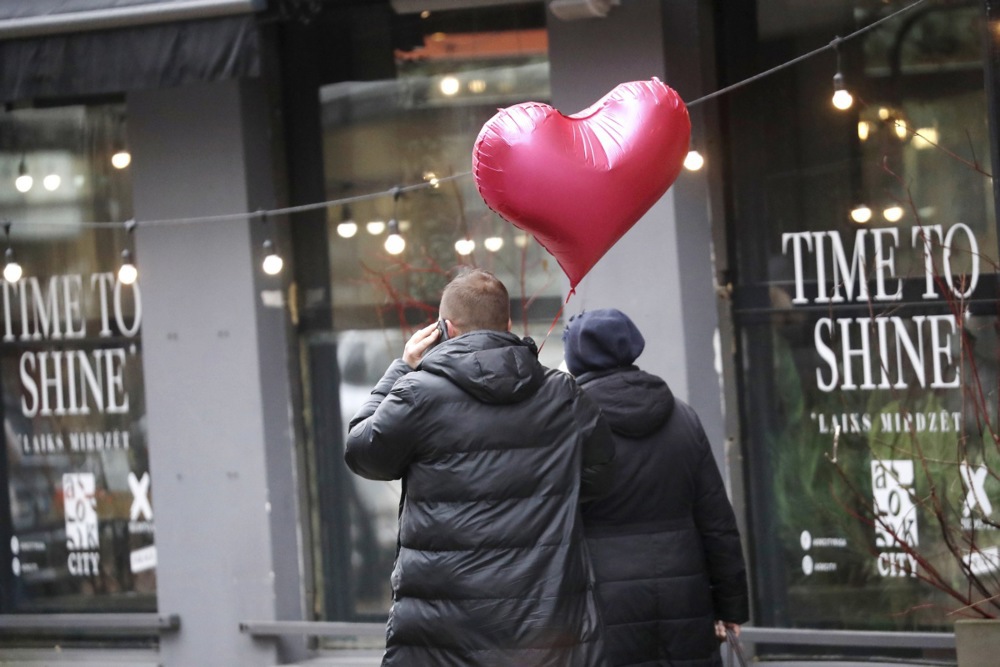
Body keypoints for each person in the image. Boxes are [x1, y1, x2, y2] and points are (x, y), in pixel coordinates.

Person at [345, 268, 616, 667]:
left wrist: (401, 367)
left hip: (442, 629)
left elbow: (363, 453)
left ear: (445, 328)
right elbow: (600, 474)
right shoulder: (563, 394)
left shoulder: (417, 394)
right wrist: (545, 499)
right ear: (508, 325)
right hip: (544, 622)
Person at [562, 308, 750, 667]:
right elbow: (716, 522)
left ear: (575, 358)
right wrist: (731, 606)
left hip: (603, 600)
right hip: (685, 596)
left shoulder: (567, 425)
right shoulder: (683, 417)